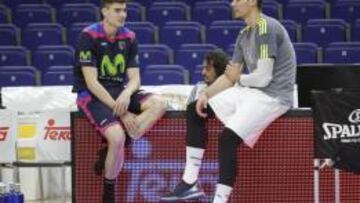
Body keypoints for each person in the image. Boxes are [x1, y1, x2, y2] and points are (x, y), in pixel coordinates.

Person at [161, 0, 296, 202]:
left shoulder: (266, 28)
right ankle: (189, 183)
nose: (232, 3)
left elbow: (263, 78)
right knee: (194, 108)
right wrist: (207, 94)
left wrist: (238, 78)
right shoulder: (244, 35)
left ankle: (220, 200)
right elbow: (228, 77)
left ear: (252, 2)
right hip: (252, 91)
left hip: (274, 96)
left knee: (227, 139)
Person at [72, 0, 166, 202]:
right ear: (104, 11)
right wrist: (122, 112)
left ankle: (121, 142)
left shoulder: (130, 37)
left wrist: (126, 94)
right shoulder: (88, 36)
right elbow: (91, 82)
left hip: (118, 91)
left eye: (124, 10)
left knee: (159, 104)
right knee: (116, 137)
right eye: (117, 10)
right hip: (91, 95)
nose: (122, 14)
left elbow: (135, 79)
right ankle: (108, 194)